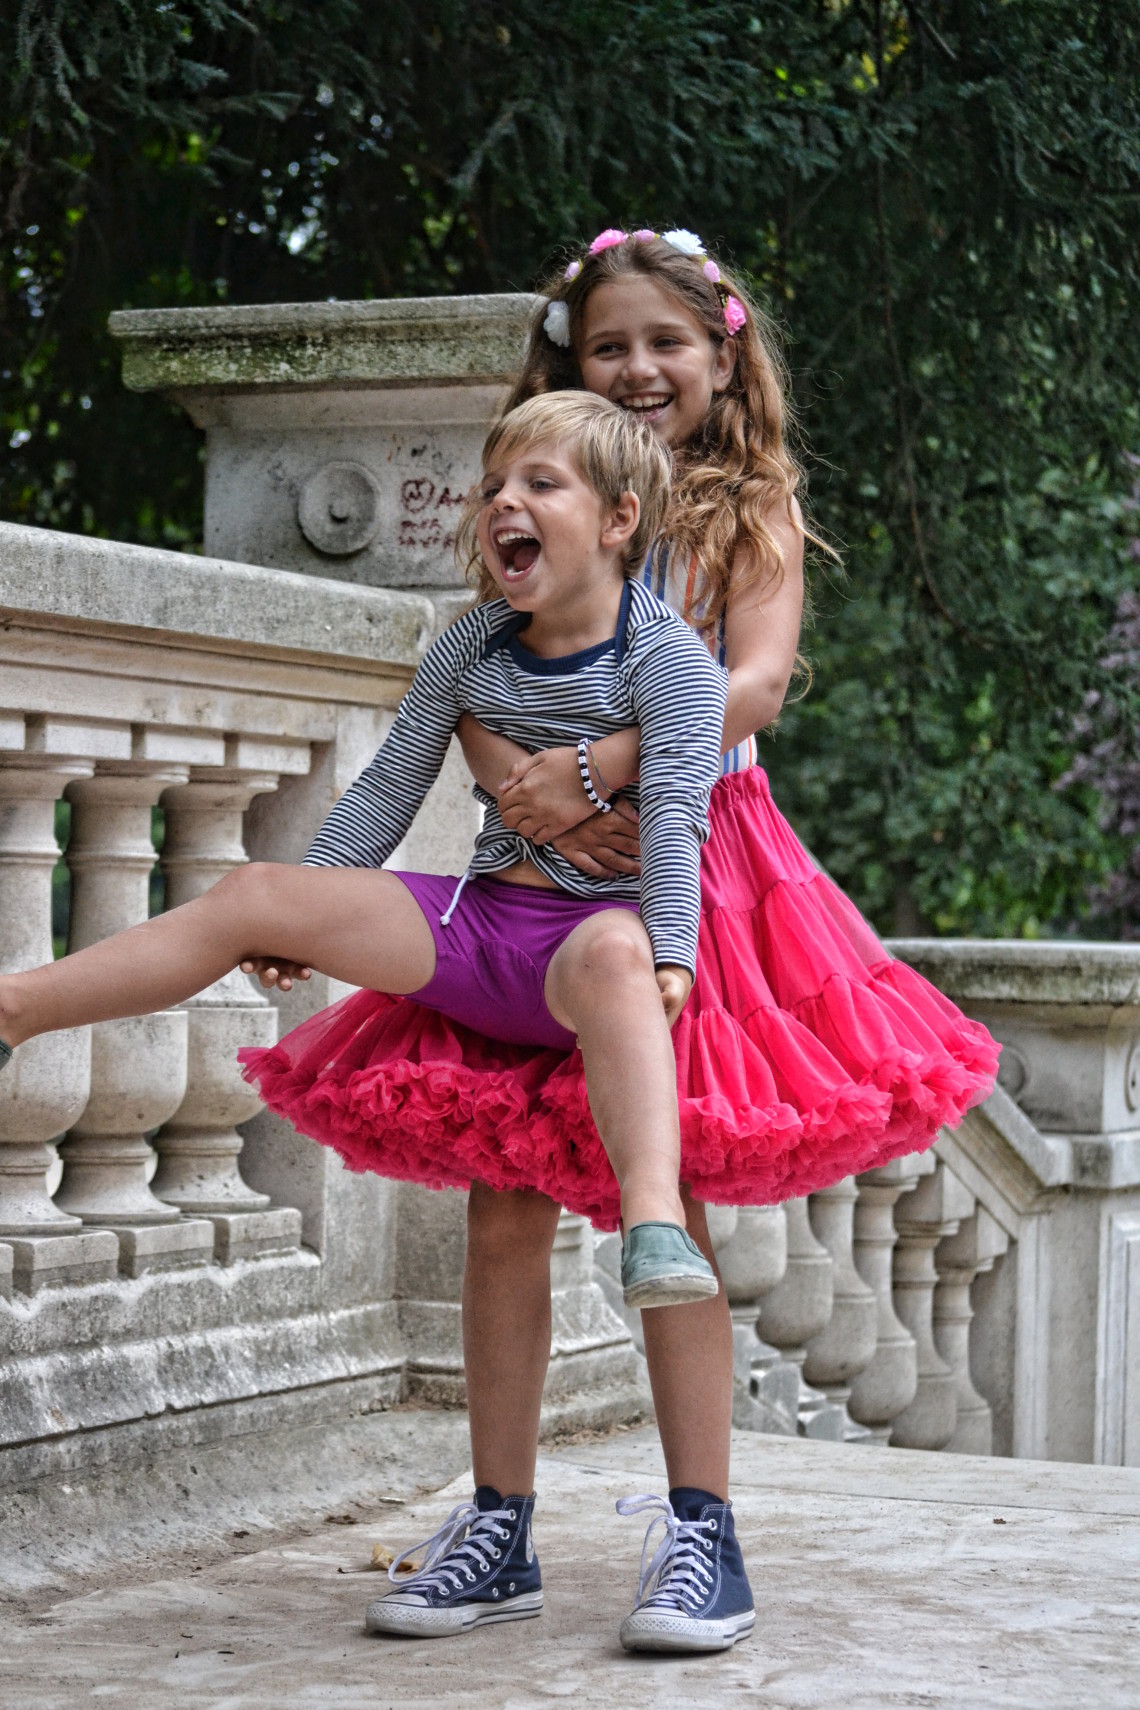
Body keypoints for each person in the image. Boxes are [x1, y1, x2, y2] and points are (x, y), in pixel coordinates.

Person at [242, 229, 999, 1656]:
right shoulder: (556, 494)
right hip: (529, 883)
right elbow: (466, 671)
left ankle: (703, 1529)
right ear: (568, 359)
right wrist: (519, 784)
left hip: (696, 872)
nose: (639, 368)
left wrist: (593, 771)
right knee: (504, 1195)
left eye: (666, 342)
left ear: (723, 355)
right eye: (608, 346)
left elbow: (755, 684)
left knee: (674, 1204)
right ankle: (500, 1522)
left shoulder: (750, 507)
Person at [0, 392, 735, 1356]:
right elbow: (388, 786)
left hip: (592, 954)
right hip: (478, 932)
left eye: (539, 484)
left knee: (613, 952)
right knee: (252, 893)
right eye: (493, 488)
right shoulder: (471, 645)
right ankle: (14, 1009)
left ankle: (652, 1223)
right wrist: (309, 905)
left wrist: (671, 951)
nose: (503, 503)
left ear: (618, 519)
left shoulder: (667, 658)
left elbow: (679, 811)